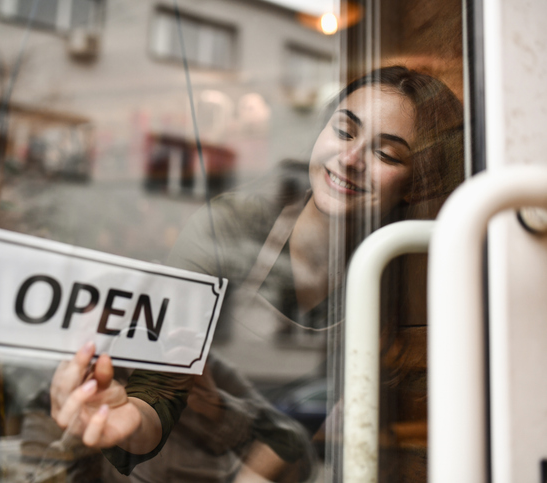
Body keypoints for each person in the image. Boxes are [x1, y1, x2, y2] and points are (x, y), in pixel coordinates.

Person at [47, 66, 465, 480]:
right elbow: (159, 386)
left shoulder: (379, 274)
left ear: (416, 183)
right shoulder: (231, 227)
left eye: (386, 153)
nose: (351, 159)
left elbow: (304, 415)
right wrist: (127, 419)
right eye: (343, 131)